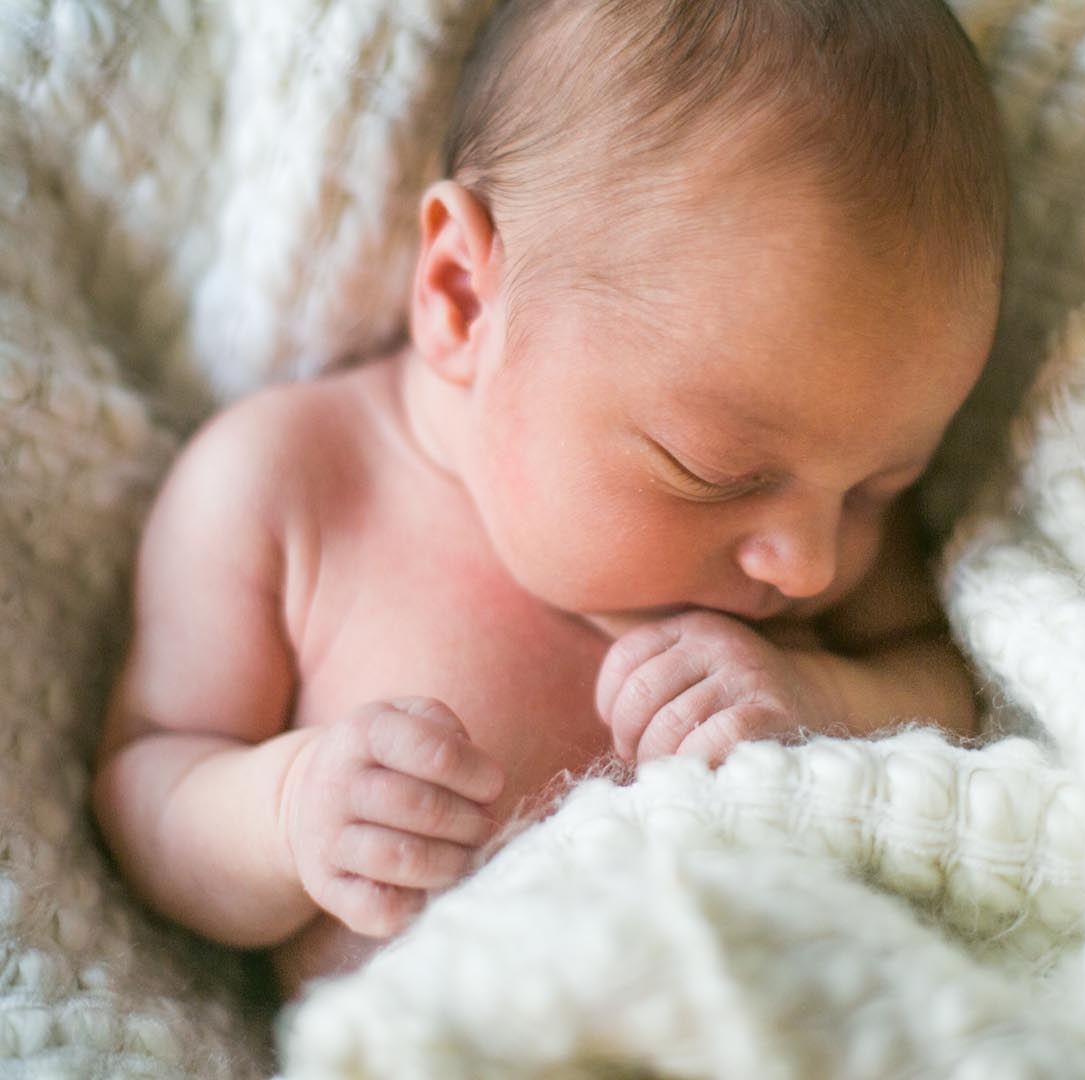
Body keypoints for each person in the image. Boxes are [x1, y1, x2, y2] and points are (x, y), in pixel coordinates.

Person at [91, 0, 1007, 997]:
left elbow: (947, 695)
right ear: (462, 297)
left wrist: (823, 700)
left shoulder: (821, 524)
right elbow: (148, 783)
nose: (814, 562)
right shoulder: (285, 486)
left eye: (883, 486)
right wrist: (283, 813)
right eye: (718, 473)